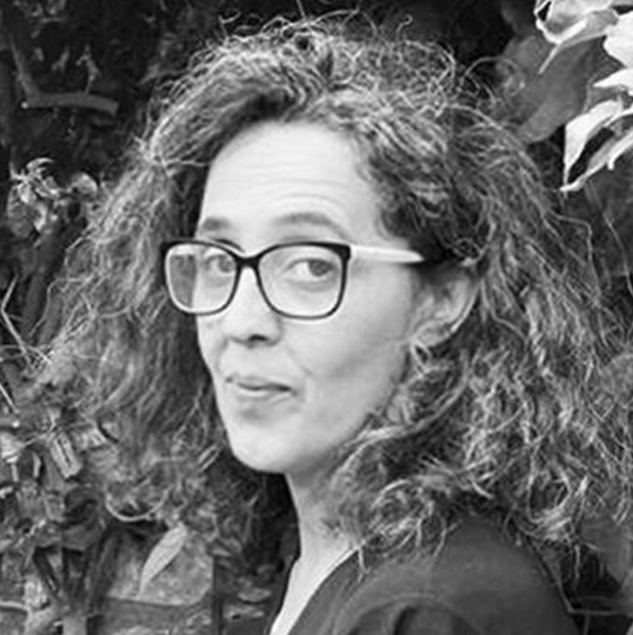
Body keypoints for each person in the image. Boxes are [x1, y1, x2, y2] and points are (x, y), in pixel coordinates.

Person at [36, 16, 633, 635]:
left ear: (440, 302)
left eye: (311, 266)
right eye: (218, 261)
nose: (240, 321)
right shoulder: (335, 560)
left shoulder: (428, 608)